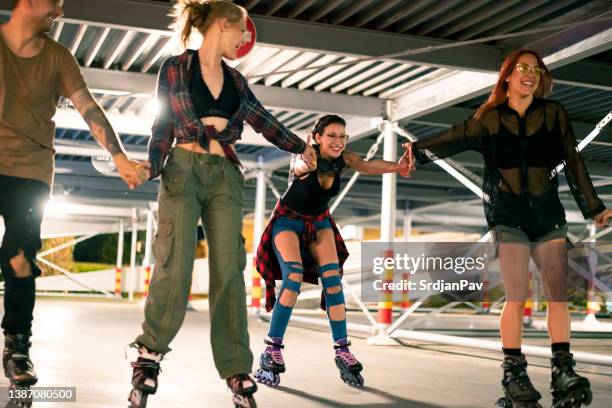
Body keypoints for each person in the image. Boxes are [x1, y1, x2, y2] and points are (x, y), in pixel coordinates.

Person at [127, 1, 316, 407]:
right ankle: (148, 356)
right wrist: (151, 166)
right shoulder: (175, 68)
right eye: (242, 32)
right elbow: (163, 125)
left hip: (226, 175)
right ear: (222, 25)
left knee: (230, 270)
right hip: (182, 168)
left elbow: (263, 120)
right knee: (174, 264)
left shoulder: (237, 81)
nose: (245, 39)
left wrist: (304, 148)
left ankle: (235, 368)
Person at [404, 49, 611, 408]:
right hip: (508, 215)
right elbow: (456, 136)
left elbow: (573, 160)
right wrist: (416, 150)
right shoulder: (490, 118)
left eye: (536, 69)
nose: (529, 74)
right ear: (508, 76)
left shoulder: (553, 114)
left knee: (557, 294)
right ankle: (513, 371)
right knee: (517, 294)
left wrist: (594, 207)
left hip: (548, 215)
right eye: (522, 68)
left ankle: (563, 369)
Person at [0, 0, 144, 400]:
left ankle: (17, 348)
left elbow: (88, 108)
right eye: (55, 4)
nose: (59, 13)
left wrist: (117, 156)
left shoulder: (58, 57)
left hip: (30, 169)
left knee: (21, 255)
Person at [255, 114, 411, 388]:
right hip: (287, 222)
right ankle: (272, 348)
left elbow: (368, 165)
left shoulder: (345, 159)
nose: (338, 142)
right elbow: (300, 166)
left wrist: (398, 168)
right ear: (317, 137)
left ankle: (342, 350)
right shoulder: (304, 156)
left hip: (319, 223)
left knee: (333, 281)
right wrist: (306, 159)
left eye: (342, 136)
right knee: (293, 276)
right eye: (332, 136)